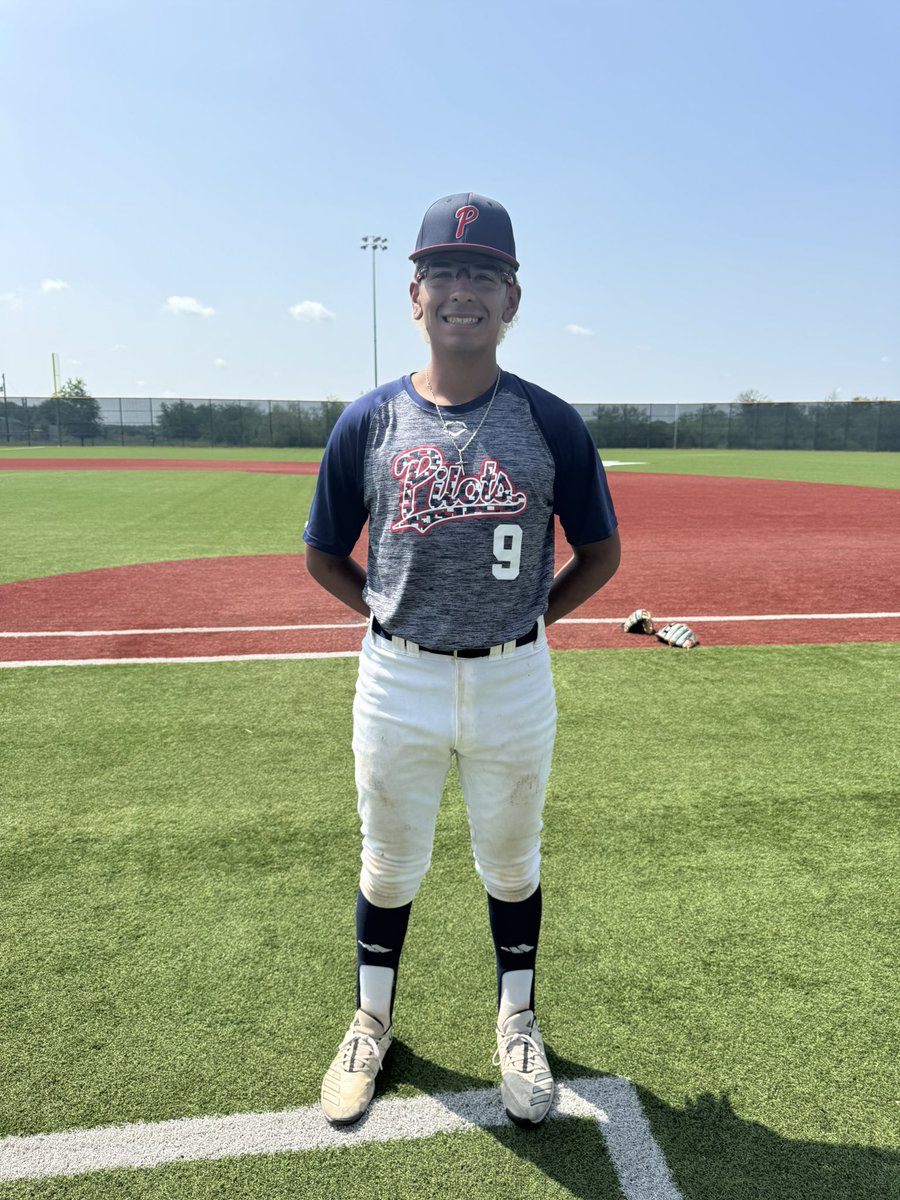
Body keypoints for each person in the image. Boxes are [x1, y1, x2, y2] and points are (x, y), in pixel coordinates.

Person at [304, 192, 620, 1128]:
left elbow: (600, 553)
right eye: (443, 272)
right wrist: (390, 615)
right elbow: (323, 553)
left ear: (512, 298)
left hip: (513, 677)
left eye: (483, 274)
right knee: (388, 861)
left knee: (511, 862)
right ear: (415, 294)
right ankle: (371, 1020)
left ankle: (517, 1020)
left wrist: (531, 619)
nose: (462, 291)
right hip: (395, 675)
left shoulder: (549, 421)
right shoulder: (370, 420)